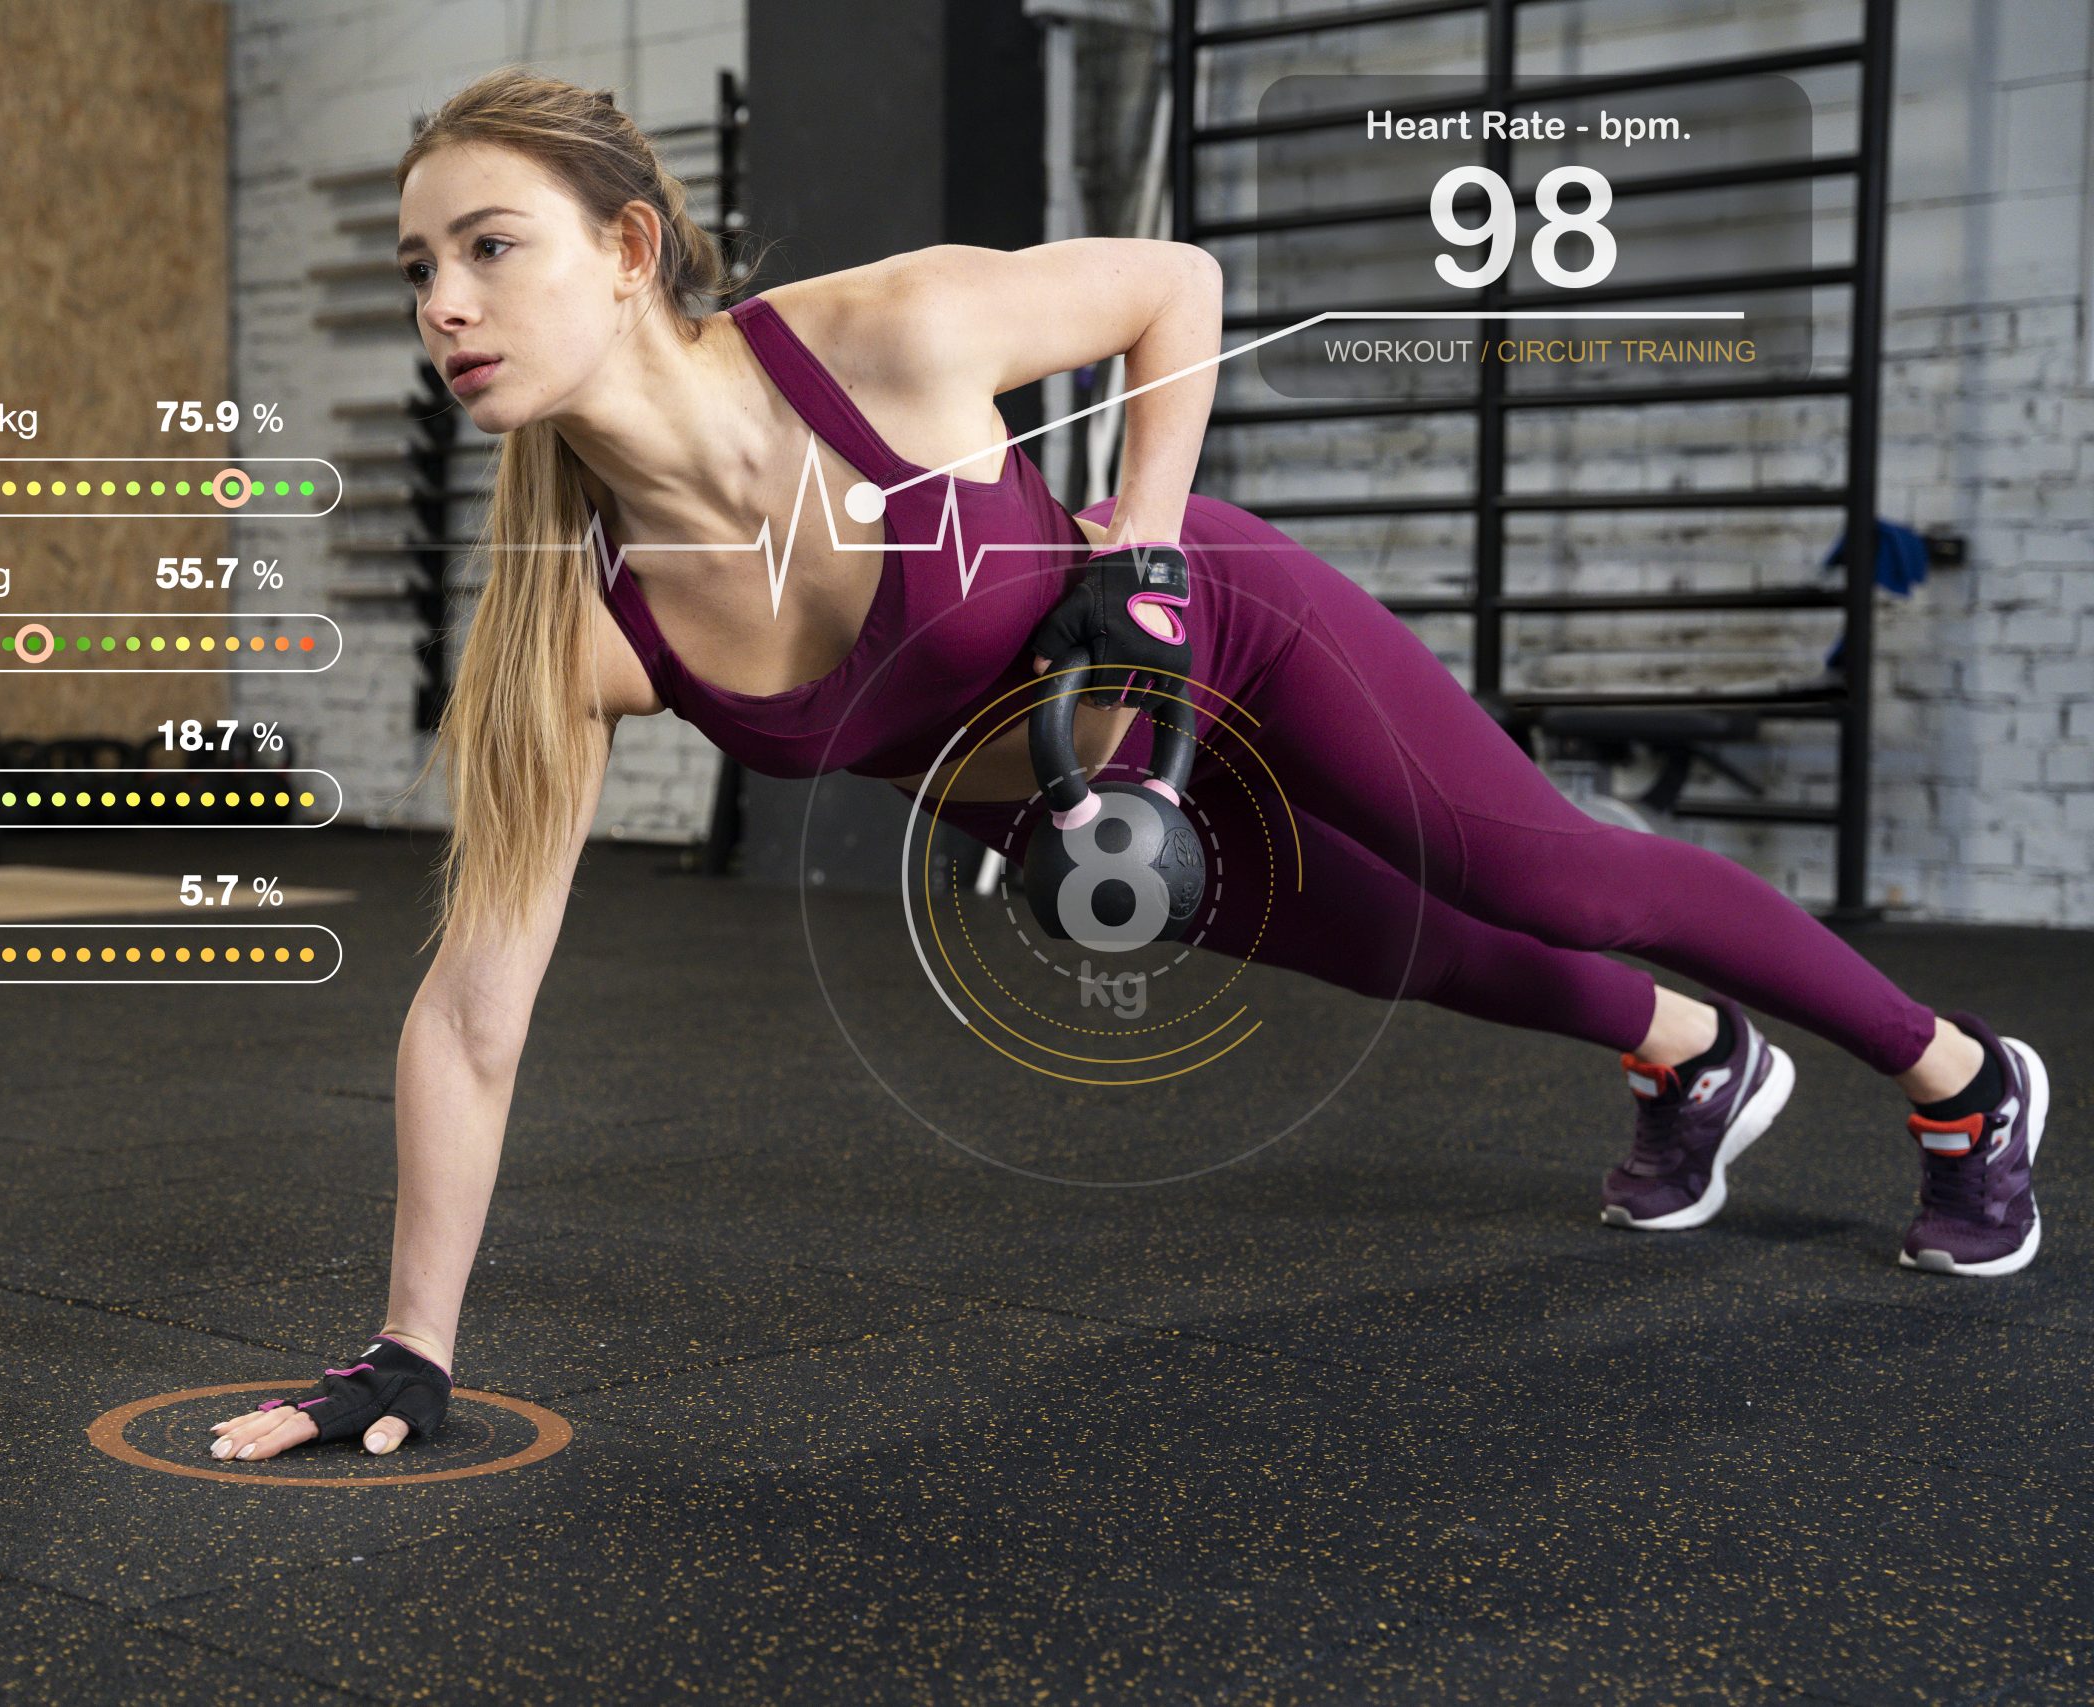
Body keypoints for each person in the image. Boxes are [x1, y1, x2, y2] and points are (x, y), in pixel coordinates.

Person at [208, 68, 2053, 1465]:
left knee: (1538, 874)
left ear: (625, 250)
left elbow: (1177, 278)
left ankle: (1966, 1085)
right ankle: (1690, 1056)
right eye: (418, 268)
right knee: (1416, 951)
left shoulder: (883, 336)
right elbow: (471, 1012)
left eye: (488, 246)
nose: (443, 302)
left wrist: (1141, 554)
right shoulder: (577, 632)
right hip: (1090, 816)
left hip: (1216, 638)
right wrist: (410, 1348)